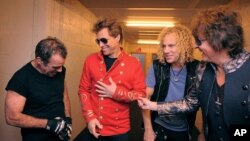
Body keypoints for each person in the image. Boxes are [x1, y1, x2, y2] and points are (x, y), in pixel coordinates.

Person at [138, 5, 250, 141]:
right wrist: (153, 105)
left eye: (199, 41)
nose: (196, 46)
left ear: (219, 39)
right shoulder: (203, 69)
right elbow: (189, 103)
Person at [77, 17, 146, 141]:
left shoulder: (133, 63)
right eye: (98, 41)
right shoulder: (90, 60)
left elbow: (141, 94)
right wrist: (90, 117)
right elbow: (83, 89)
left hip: (120, 131)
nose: (101, 45)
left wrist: (116, 93)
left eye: (104, 40)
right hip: (95, 127)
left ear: (117, 37)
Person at [5, 37, 72, 141]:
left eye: (61, 66)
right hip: (36, 137)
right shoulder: (21, 78)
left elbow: (63, 93)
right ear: (39, 61)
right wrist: (49, 124)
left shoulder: (60, 70)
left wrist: (68, 119)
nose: (60, 71)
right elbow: (11, 117)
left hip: (59, 135)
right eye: (55, 67)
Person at [141, 25, 199, 141]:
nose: (166, 50)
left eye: (171, 45)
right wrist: (148, 129)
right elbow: (145, 100)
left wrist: (203, 133)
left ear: (184, 46)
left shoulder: (198, 68)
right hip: (159, 125)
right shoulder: (157, 66)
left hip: (183, 129)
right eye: (164, 46)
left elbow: (204, 103)